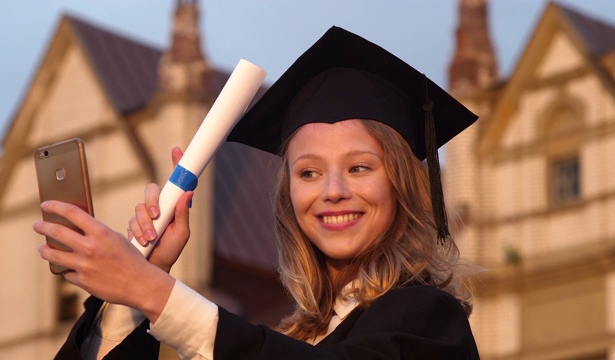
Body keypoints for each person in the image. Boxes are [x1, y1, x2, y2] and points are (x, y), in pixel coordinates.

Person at [34, 26, 480, 359]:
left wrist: (152, 290)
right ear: (288, 196)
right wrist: (125, 296)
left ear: (402, 185)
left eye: (359, 167)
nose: (333, 191)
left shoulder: (432, 325)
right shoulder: (286, 337)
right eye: (308, 173)